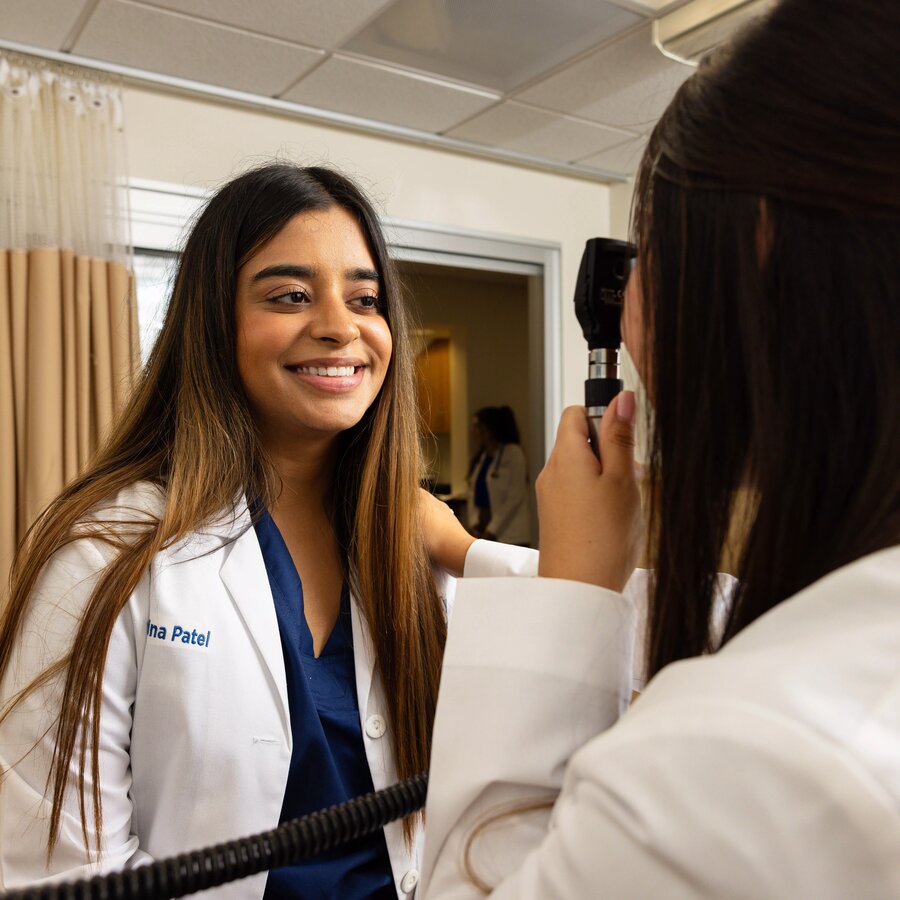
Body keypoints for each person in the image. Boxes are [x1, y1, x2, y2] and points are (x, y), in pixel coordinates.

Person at [420, 0, 900, 896]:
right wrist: (475, 552)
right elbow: (733, 615)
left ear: (757, 258)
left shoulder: (749, 762)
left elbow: (478, 875)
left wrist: (567, 591)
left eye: (656, 249)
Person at [0, 163, 507, 899]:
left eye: (365, 299)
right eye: (291, 295)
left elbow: (612, 661)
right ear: (215, 324)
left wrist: (466, 552)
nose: (340, 325)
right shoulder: (107, 552)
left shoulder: (416, 556)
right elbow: (60, 875)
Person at [466, 407, 531, 546]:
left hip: (510, 534)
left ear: (490, 428)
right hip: (484, 528)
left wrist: (491, 531)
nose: (474, 431)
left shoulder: (513, 453)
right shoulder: (483, 457)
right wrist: (475, 525)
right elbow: (473, 493)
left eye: (478, 426)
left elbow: (515, 497)